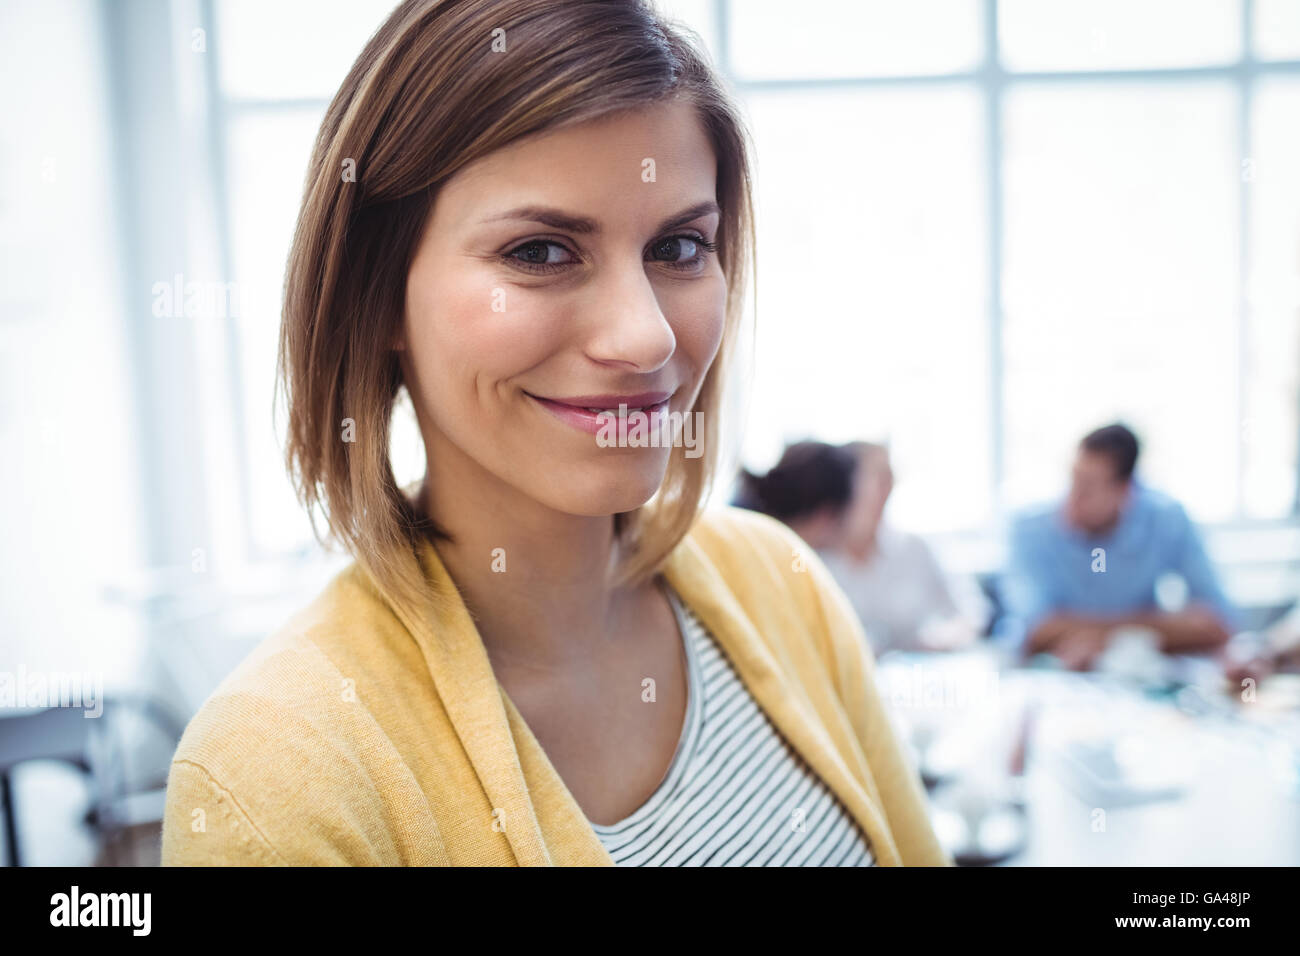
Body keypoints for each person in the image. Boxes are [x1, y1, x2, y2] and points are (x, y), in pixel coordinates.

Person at [159, 0, 948, 867]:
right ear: (376, 293)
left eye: (681, 247)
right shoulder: (277, 776)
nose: (644, 337)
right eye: (539, 253)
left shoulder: (781, 585)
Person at [999, 423, 1237, 670]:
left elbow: (1216, 622)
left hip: (1140, 679)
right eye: (1073, 481)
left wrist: (1098, 637)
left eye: (1087, 488)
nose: (1072, 500)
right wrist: (1152, 631)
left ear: (1125, 491)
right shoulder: (1029, 527)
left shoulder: (1166, 519)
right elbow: (1034, 629)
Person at [736, 440, 983, 655]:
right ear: (827, 516)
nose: (882, 492)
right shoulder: (793, 560)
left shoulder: (785, 551)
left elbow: (970, 613)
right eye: (872, 481)